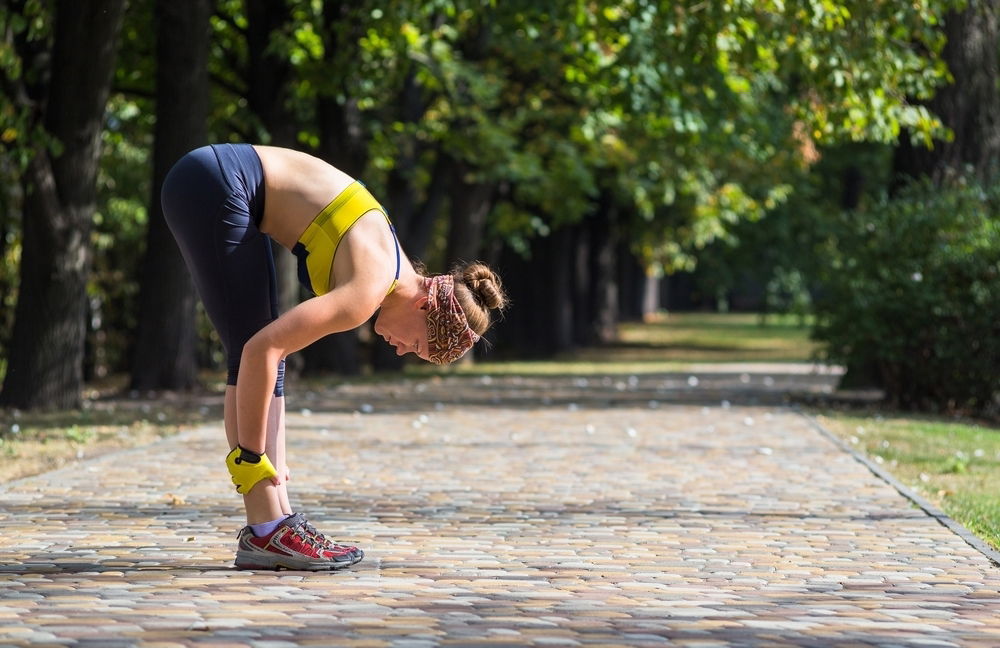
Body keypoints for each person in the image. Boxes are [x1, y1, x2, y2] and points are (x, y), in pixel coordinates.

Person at [161, 143, 507, 571]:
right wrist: (250, 458)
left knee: (261, 351)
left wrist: (275, 461)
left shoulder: (392, 261)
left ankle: (277, 521)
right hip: (216, 184)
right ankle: (267, 530)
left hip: (220, 180)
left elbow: (269, 356)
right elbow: (261, 352)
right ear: (423, 305)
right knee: (254, 347)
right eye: (417, 345)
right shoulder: (367, 292)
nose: (401, 350)